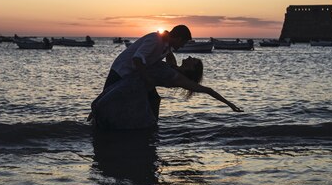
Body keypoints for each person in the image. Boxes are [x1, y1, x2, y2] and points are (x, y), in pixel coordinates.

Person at [90, 56, 243, 130]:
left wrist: (230, 104)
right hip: (128, 82)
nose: (189, 57)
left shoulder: (179, 79)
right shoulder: (173, 66)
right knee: (99, 105)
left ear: (192, 69)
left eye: (192, 60)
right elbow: (167, 49)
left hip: (132, 89)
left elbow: (208, 90)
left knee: (103, 107)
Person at [87, 25, 192, 122]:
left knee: (153, 99)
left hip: (135, 76)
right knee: (102, 103)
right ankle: (91, 124)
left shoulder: (166, 46)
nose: (183, 46)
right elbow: (137, 59)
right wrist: (147, 78)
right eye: (184, 43)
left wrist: (176, 68)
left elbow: (169, 56)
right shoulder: (155, 39)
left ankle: (151, 123)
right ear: (179, 38)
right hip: (121, 71)